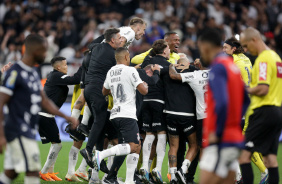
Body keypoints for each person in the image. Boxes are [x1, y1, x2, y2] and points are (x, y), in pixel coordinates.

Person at [0, 34, 78, 184]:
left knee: (14, 173)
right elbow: (1, 102)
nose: (45, 54)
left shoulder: (33, 74)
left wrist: (67, 117)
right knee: (29, 171)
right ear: (35, 50)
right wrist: (1, 135)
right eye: (44, 51)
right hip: (17, 130)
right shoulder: (16, 71)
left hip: (27, 130)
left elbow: (44, 101)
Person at [75, 17, 147, 136]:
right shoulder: (130, 32)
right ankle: (87, 125)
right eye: (143, 29)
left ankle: (79, 123)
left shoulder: (120, 29)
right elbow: (120, 45)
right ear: (138, 27)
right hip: (101, 58)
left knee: (87, 92)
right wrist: (121, 66)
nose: (143, 33)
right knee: (101, 90)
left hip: (91, 58)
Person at [198, 29, 250, 184]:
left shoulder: (218, 68)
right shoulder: (231, 66)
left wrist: (219, 131)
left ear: (205, 47)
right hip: (234, 136)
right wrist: (234, 122)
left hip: (220, 139)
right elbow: (246, 100)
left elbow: (222, 103)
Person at [92, 47, 148, 184]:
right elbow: (144, 91)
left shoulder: (110, 71)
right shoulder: (131, 71)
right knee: (134, 146)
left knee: (134, 146)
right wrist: (145, 84)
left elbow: (104, 91)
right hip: (127, 114)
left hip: (115, 114)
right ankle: (101, 154)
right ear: (127, 57)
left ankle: (128, 180)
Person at [239, 27, 282, 184]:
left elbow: (263, 88)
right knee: (271, 158)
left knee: (243, 155)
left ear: (254, 40)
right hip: (276, 111)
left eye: (245, 45)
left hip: (263, 112)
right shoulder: (275, 57)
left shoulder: (263, 59)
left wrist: (244, 90)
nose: (245, 49)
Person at [223, 36, 269, 183]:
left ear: (233, 49)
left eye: (225, 48)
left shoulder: (234, 62)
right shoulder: (246, 59)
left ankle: (263, 171)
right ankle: (242, 176)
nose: (223, 50)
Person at [80, 28, 122, 167]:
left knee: (101, 122)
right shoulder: (113, 54)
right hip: (98, 89)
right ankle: (88, 149)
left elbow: (92, 43)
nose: (122, 40)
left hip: (89, 88)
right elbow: (123, 68)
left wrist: (105, 34)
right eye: (119, 37)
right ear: (112, 40)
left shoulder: (96, 47)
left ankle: (98, 156)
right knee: (100, 119)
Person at [169, 58, 209, 184]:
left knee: (202, 148)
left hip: (202, 117)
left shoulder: (195, 75)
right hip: (217, 117)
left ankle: (188, 172)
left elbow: (173, 75)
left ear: (200, 64)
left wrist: (170, 65)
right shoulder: (218, 74)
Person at [160, 57, 198, 184]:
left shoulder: (167, 71)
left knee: (173, 147)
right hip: (187, 114)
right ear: (187, 63)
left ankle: (173, 177)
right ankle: (183, 169)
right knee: (194, 145)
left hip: (170, 114)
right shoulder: (192, 71)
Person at [139, 39, 171, 184]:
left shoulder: (146, 63)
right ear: (164, 51)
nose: (170, 51)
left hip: (145, 101)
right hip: (159, 102)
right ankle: (157, 169)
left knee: (149, 134)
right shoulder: (168, 65)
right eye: (169, 48)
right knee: (161, 134)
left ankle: (145, 167)